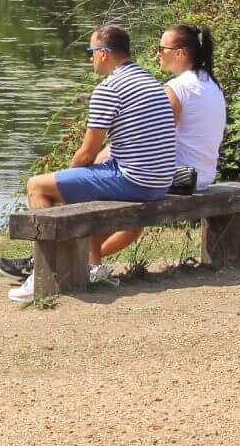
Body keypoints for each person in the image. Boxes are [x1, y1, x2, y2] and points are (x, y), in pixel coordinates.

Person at [2, 24, 176, 301]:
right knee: (83, 183)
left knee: (38, 186)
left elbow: (86, 152)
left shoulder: (109, 89)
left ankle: (43, 276)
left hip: (136, 181)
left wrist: (63, 182)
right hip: (160, 181)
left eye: (91, 52)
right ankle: (93, 266)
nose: (90, 59)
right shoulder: (150, 81)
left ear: (105, 53)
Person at [79, 24, 228, 272]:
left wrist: (99, 158)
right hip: (203, 176)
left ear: (179, 53)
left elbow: (150, 140)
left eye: (161, 48)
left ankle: (78, 260)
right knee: (120, 194)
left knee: (99, 185)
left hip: (178, 177)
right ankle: (79, 260)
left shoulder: (177, 89)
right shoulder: (210, 84)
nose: (156, 54)